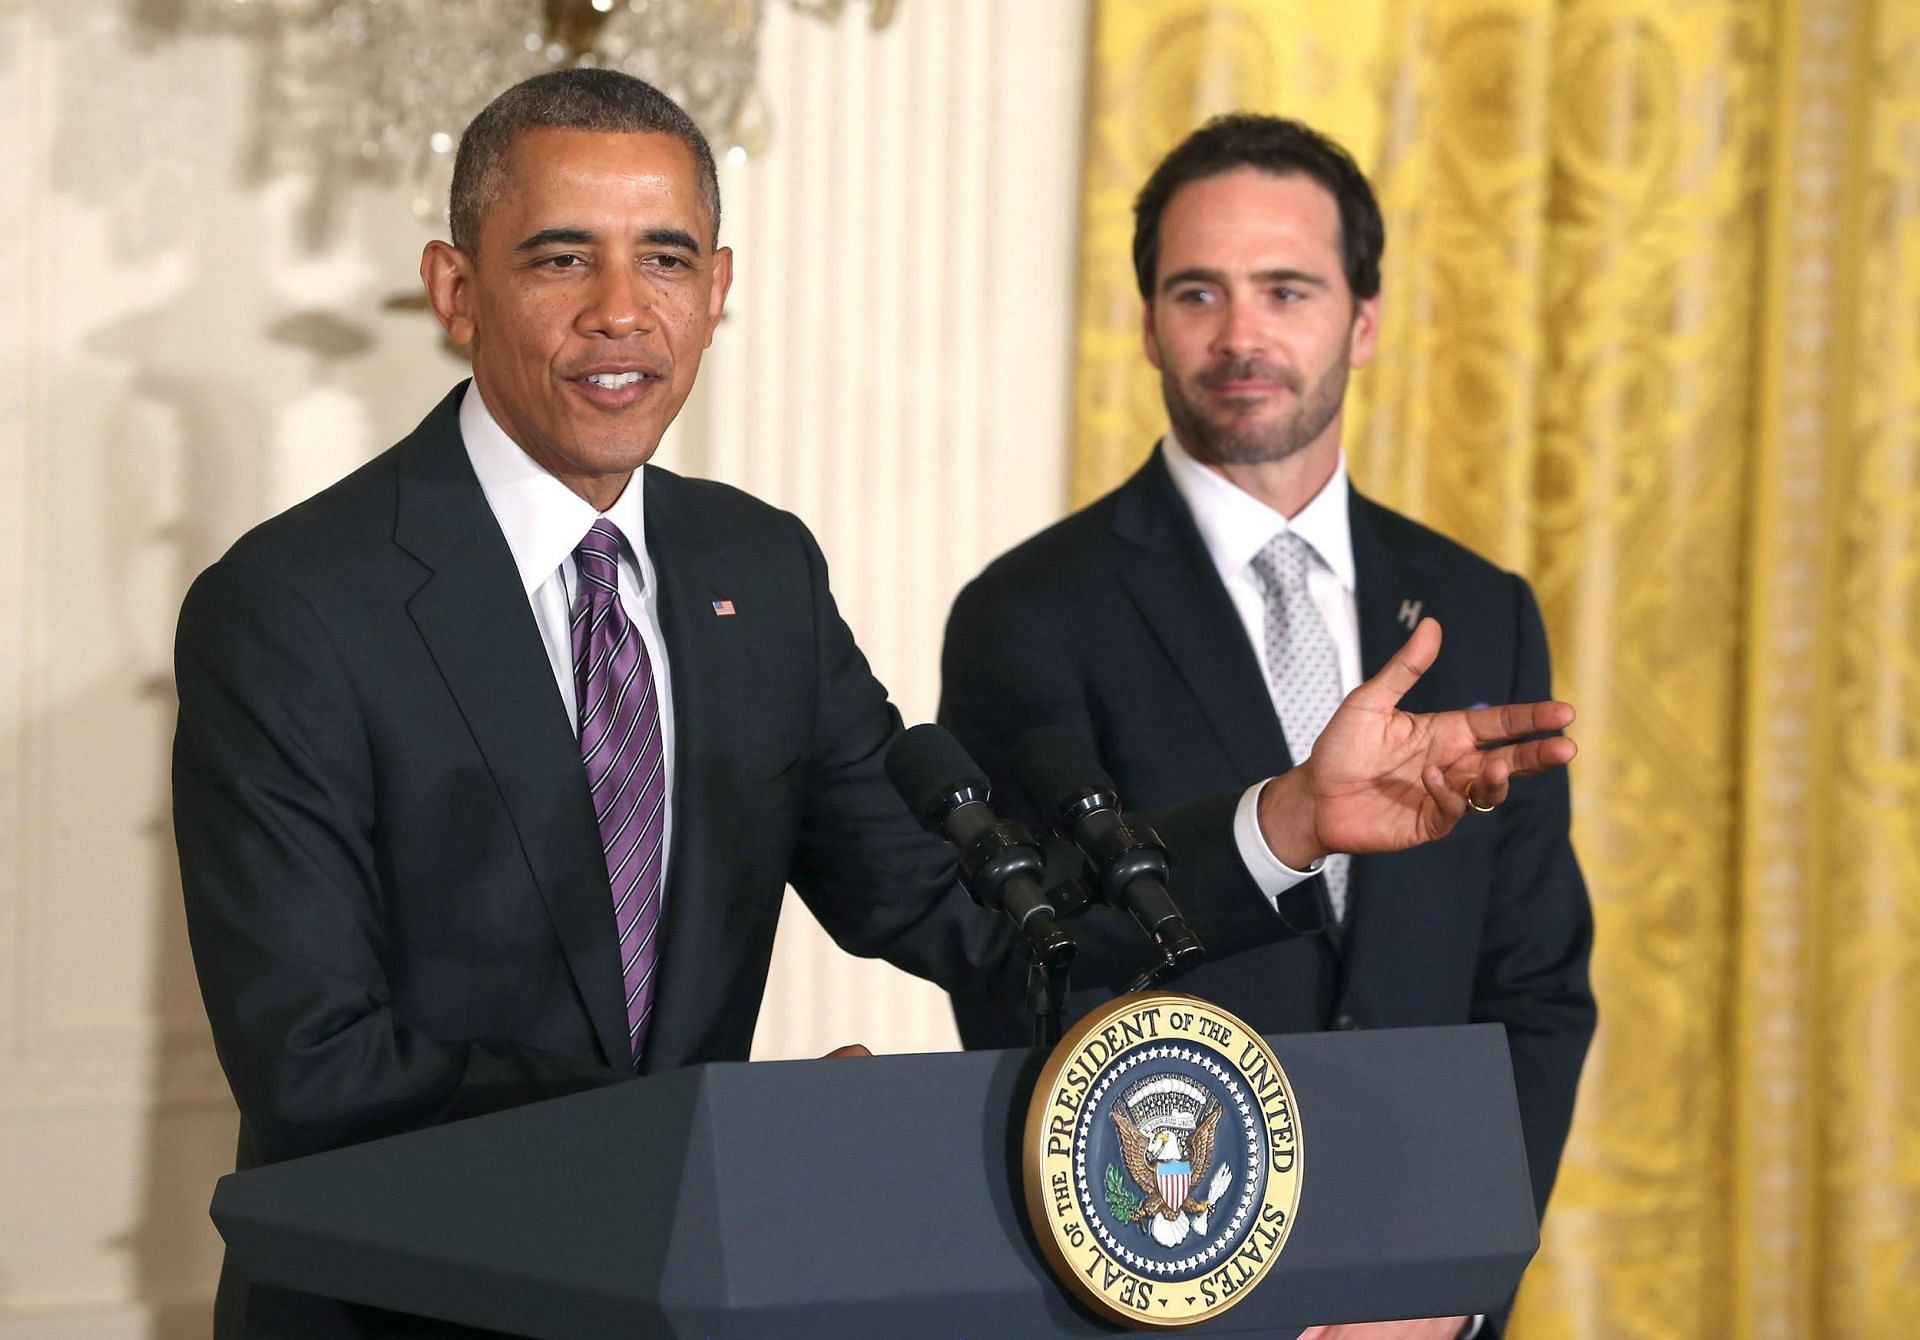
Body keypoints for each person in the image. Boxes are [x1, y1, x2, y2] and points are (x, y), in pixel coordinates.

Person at [173, 75, 1577, 1338]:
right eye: (560, 257)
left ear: (717, 289)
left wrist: (1285, 821)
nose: (620, 308)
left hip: (678, 1311)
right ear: (456, 288)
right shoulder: (293, 606)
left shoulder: (755, 574)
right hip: (394, 1311)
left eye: (665, 257)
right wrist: (721, 1132)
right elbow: (319, 1066)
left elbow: (973, 910)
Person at [939, 115, 1595, 1340]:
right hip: (1155, 1292)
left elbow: (1535, 987)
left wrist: (1452, 1283)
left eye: (1286, 289)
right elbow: (1024, 983)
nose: (1242, 336)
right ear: (1146, 323)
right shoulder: (1025, 615)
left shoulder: (1481, 610)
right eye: (1199, 292)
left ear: (1363, 319)